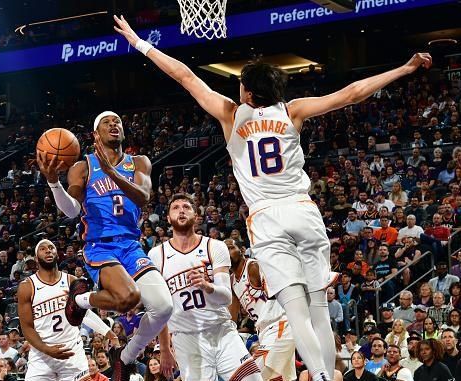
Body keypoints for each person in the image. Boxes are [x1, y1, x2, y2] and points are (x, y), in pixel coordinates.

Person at [113, 15, 433, 381]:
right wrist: (403, 69)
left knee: (295, 312)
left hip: (266, 217)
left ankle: (323, 377)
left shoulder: (231, 114)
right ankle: (330, 374)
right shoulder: (292, 110)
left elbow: (184, 75)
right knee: (318, 309)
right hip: (303, 211)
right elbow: (351, 93)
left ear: (247, 93)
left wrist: (140, 43)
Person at [36, 108, 173, 381]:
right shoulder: (82, 166)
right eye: (107, 122)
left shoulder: (139, 162)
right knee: (129, 298)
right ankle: (80, 300)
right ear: (95, 134)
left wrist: (111, 172)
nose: (114, 125)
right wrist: (53, 183)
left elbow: (143, 196)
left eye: (118, 122)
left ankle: (126, 356)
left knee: (163, 307)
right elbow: (73, 210)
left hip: (131, 245)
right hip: (100, 246)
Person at [148, 194, 262, 381]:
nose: (181, 210)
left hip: (221, 331)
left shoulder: (214, 247)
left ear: (195, 215)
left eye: (186, 206)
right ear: (168, 218)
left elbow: (226, 297)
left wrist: (207, 286)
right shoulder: (156, 255)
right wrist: (165, 349)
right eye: (175, 207)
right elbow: (159, 308)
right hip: (186, 339)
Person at [17, 239, 120, 381]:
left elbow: (85, 314)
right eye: (43, 249)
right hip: (42, 355)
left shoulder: (72, 281)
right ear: (36, 259)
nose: (48, 250)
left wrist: (110, 334)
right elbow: (27, 328)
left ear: (57, 255)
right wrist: (47, 349)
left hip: (72, 352)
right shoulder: (27, 286)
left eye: (51, 247)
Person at [228, 238, 296, 381]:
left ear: (242, 250)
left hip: (280, 324)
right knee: (279, 378)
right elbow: (231, 319)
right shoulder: (232, 280)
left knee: (252, 374)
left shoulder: (253, 266)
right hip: (264, 331)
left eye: (230, 248)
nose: (226, 252)